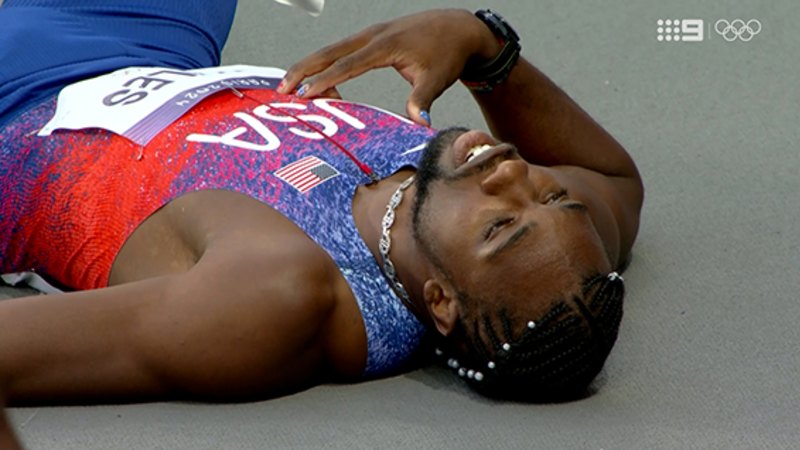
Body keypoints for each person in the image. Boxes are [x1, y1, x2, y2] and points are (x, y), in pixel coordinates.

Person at [0, 1, 643, 405]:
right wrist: (483, 45)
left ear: (441, 303)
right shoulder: (550, 255)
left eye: (499, 224)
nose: (511, 173)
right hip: (153, 49)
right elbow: (607, 175)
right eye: (550, 195)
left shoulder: (279, 296)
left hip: (20, 110)